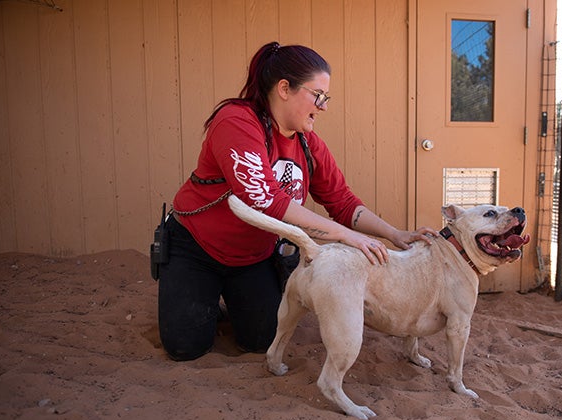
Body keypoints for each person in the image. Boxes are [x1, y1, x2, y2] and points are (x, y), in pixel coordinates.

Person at [158, 41, 436, 361]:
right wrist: (346, 236)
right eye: (318, 95)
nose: (324, 106)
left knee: (261, 339)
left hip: (253, 256)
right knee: (185, 346)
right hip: (197, 247)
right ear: (285, 88)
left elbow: (342, 201)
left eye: (326, 97)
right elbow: (265, 199)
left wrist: (393, 234)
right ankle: (200, 296)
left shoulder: (308, 144)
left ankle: (225, 301)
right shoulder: (236, 121)